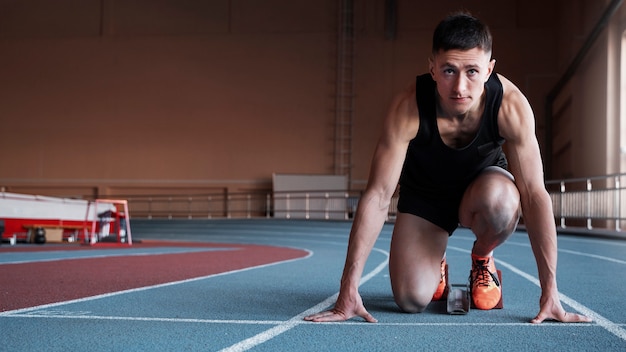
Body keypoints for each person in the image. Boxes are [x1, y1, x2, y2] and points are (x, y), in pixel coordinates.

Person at [304, 12, 592, 324]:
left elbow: (535, 196)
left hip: (483, 190)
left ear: (489, 70)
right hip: (426, 197)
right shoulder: (408, 108)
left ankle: (482, 257)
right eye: (449, 71)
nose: (459, 86)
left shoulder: (510, 106)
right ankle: (435, 260)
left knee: (503, 202)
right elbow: (377, 195)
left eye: (472, 71)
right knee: (411, 300)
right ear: (432, 69)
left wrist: (550, 292)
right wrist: (348, 289)